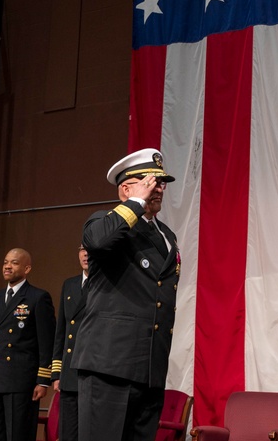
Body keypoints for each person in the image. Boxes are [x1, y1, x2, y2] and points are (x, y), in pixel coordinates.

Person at [71, 148, 179, 441]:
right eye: (149, 182)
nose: (158, 189)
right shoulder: (104, 222)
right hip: (110, 363)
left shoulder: (167, 236)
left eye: (161, 183)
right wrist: (135, 203)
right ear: (126, 189)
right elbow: (99, 241)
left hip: (149, 367)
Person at [0, 248, 55, 441]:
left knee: (18, 435)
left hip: (21, 380)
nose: (8, 266)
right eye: (5, 262)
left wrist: (42, 380)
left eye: (14, 263)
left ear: (27, 268)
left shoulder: (37, 297)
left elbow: (46, 341)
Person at [51, 244, 90, 441]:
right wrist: (56, 373)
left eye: (90, 249)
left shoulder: (105, 285)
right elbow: (62, 331)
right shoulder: (70, 284)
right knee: (68, 434)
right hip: (69, 373)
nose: (86, 254)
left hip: (92, 373)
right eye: (82, 249)